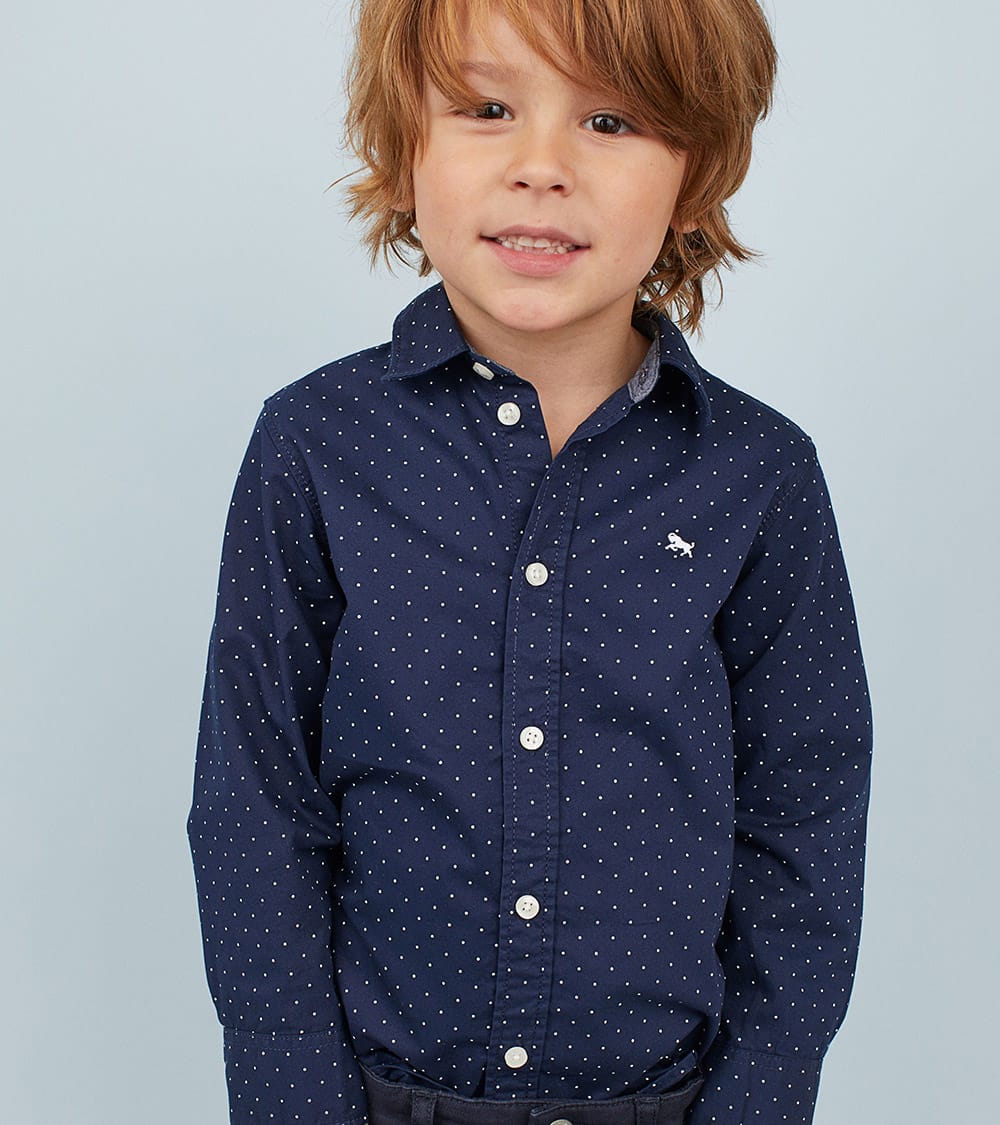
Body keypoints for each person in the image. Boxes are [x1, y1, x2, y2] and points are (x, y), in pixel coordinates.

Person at [186, 1, 873, 1122]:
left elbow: (804, 813)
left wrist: (762, 1095)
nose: (541, 166)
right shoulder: (315, 445)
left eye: (610, 121)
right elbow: (254, 800)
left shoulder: (760, 474)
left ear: (694, 174)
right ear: (403, 146)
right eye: (486, 108)